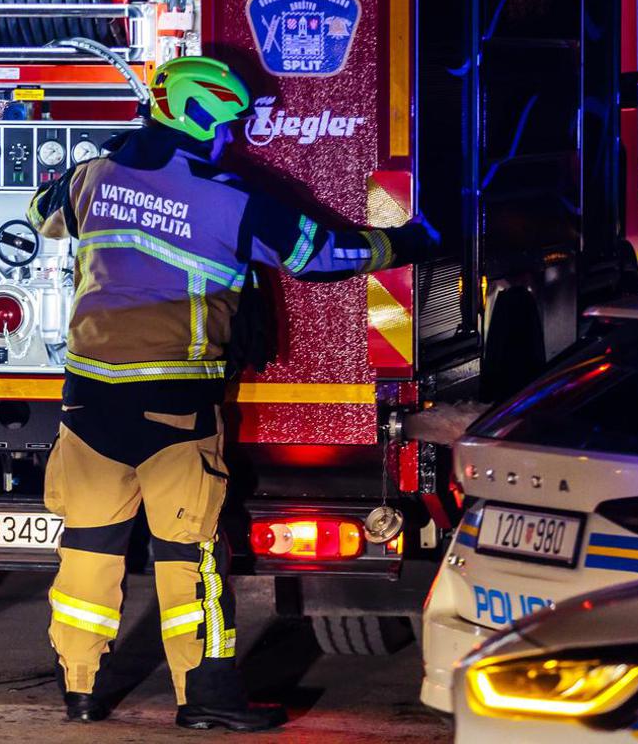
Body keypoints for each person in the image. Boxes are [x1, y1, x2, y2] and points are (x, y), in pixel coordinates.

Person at [26, 57, 438, 731]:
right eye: (228, 124)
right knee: (190, 554)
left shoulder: (94, 178)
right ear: (202, 120)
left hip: (88, 399)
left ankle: (80, 688)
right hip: (174, 404)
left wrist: (103, 160)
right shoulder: (229, 198)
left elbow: (41, 212)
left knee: (88, 546)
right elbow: (321, 255)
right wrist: (405, 243)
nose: (231, 138)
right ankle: (206, 695)